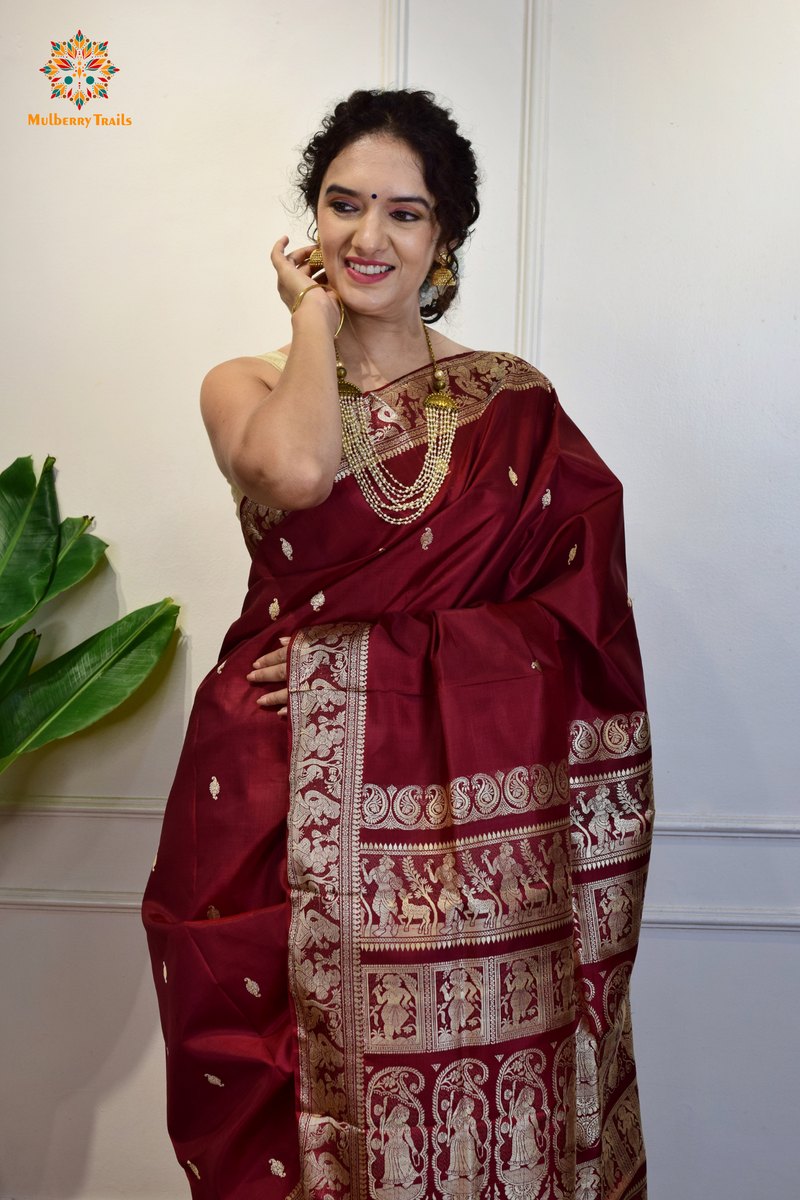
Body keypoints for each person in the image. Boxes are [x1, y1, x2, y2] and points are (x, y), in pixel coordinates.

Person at [143, 88, 653, 1200]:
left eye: (404, 213)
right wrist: (313, 322)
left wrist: (359, 667)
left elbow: (579, 625)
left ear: (446, 238)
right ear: (310, 219)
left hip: (454, 824)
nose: (367, 237)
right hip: (265, 790)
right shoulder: (248, 382)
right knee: (268, 1108)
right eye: (342, 205)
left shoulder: (514, 407)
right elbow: (294, 474)